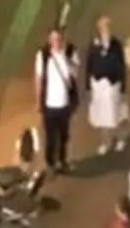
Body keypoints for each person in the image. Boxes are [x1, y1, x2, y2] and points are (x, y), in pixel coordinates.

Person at [36, 27, 79, 172]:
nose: (56, 42)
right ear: (49, 40)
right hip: (50, 105)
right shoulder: (43, 55)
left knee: (64, 135)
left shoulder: (70, 53)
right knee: (50, 137)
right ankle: (50, 163)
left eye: (59, 39)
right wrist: (38, 101)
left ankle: (62, 160)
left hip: (65, 104)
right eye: (53, 39)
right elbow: (39, 78)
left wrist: (66, 59)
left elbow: (74, 74)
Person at [85, 12, 129, 148]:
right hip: (98, 85)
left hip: (113, 84)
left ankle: (120, 137)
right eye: (103, 27)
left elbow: (121, 65)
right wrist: (88, 86)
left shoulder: (116, 45)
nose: (105, 30)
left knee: (117, 113)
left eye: (107, 27)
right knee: (102, 116)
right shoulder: (94, 45)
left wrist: (123, 87)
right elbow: (89, 65)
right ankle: (105, 141)